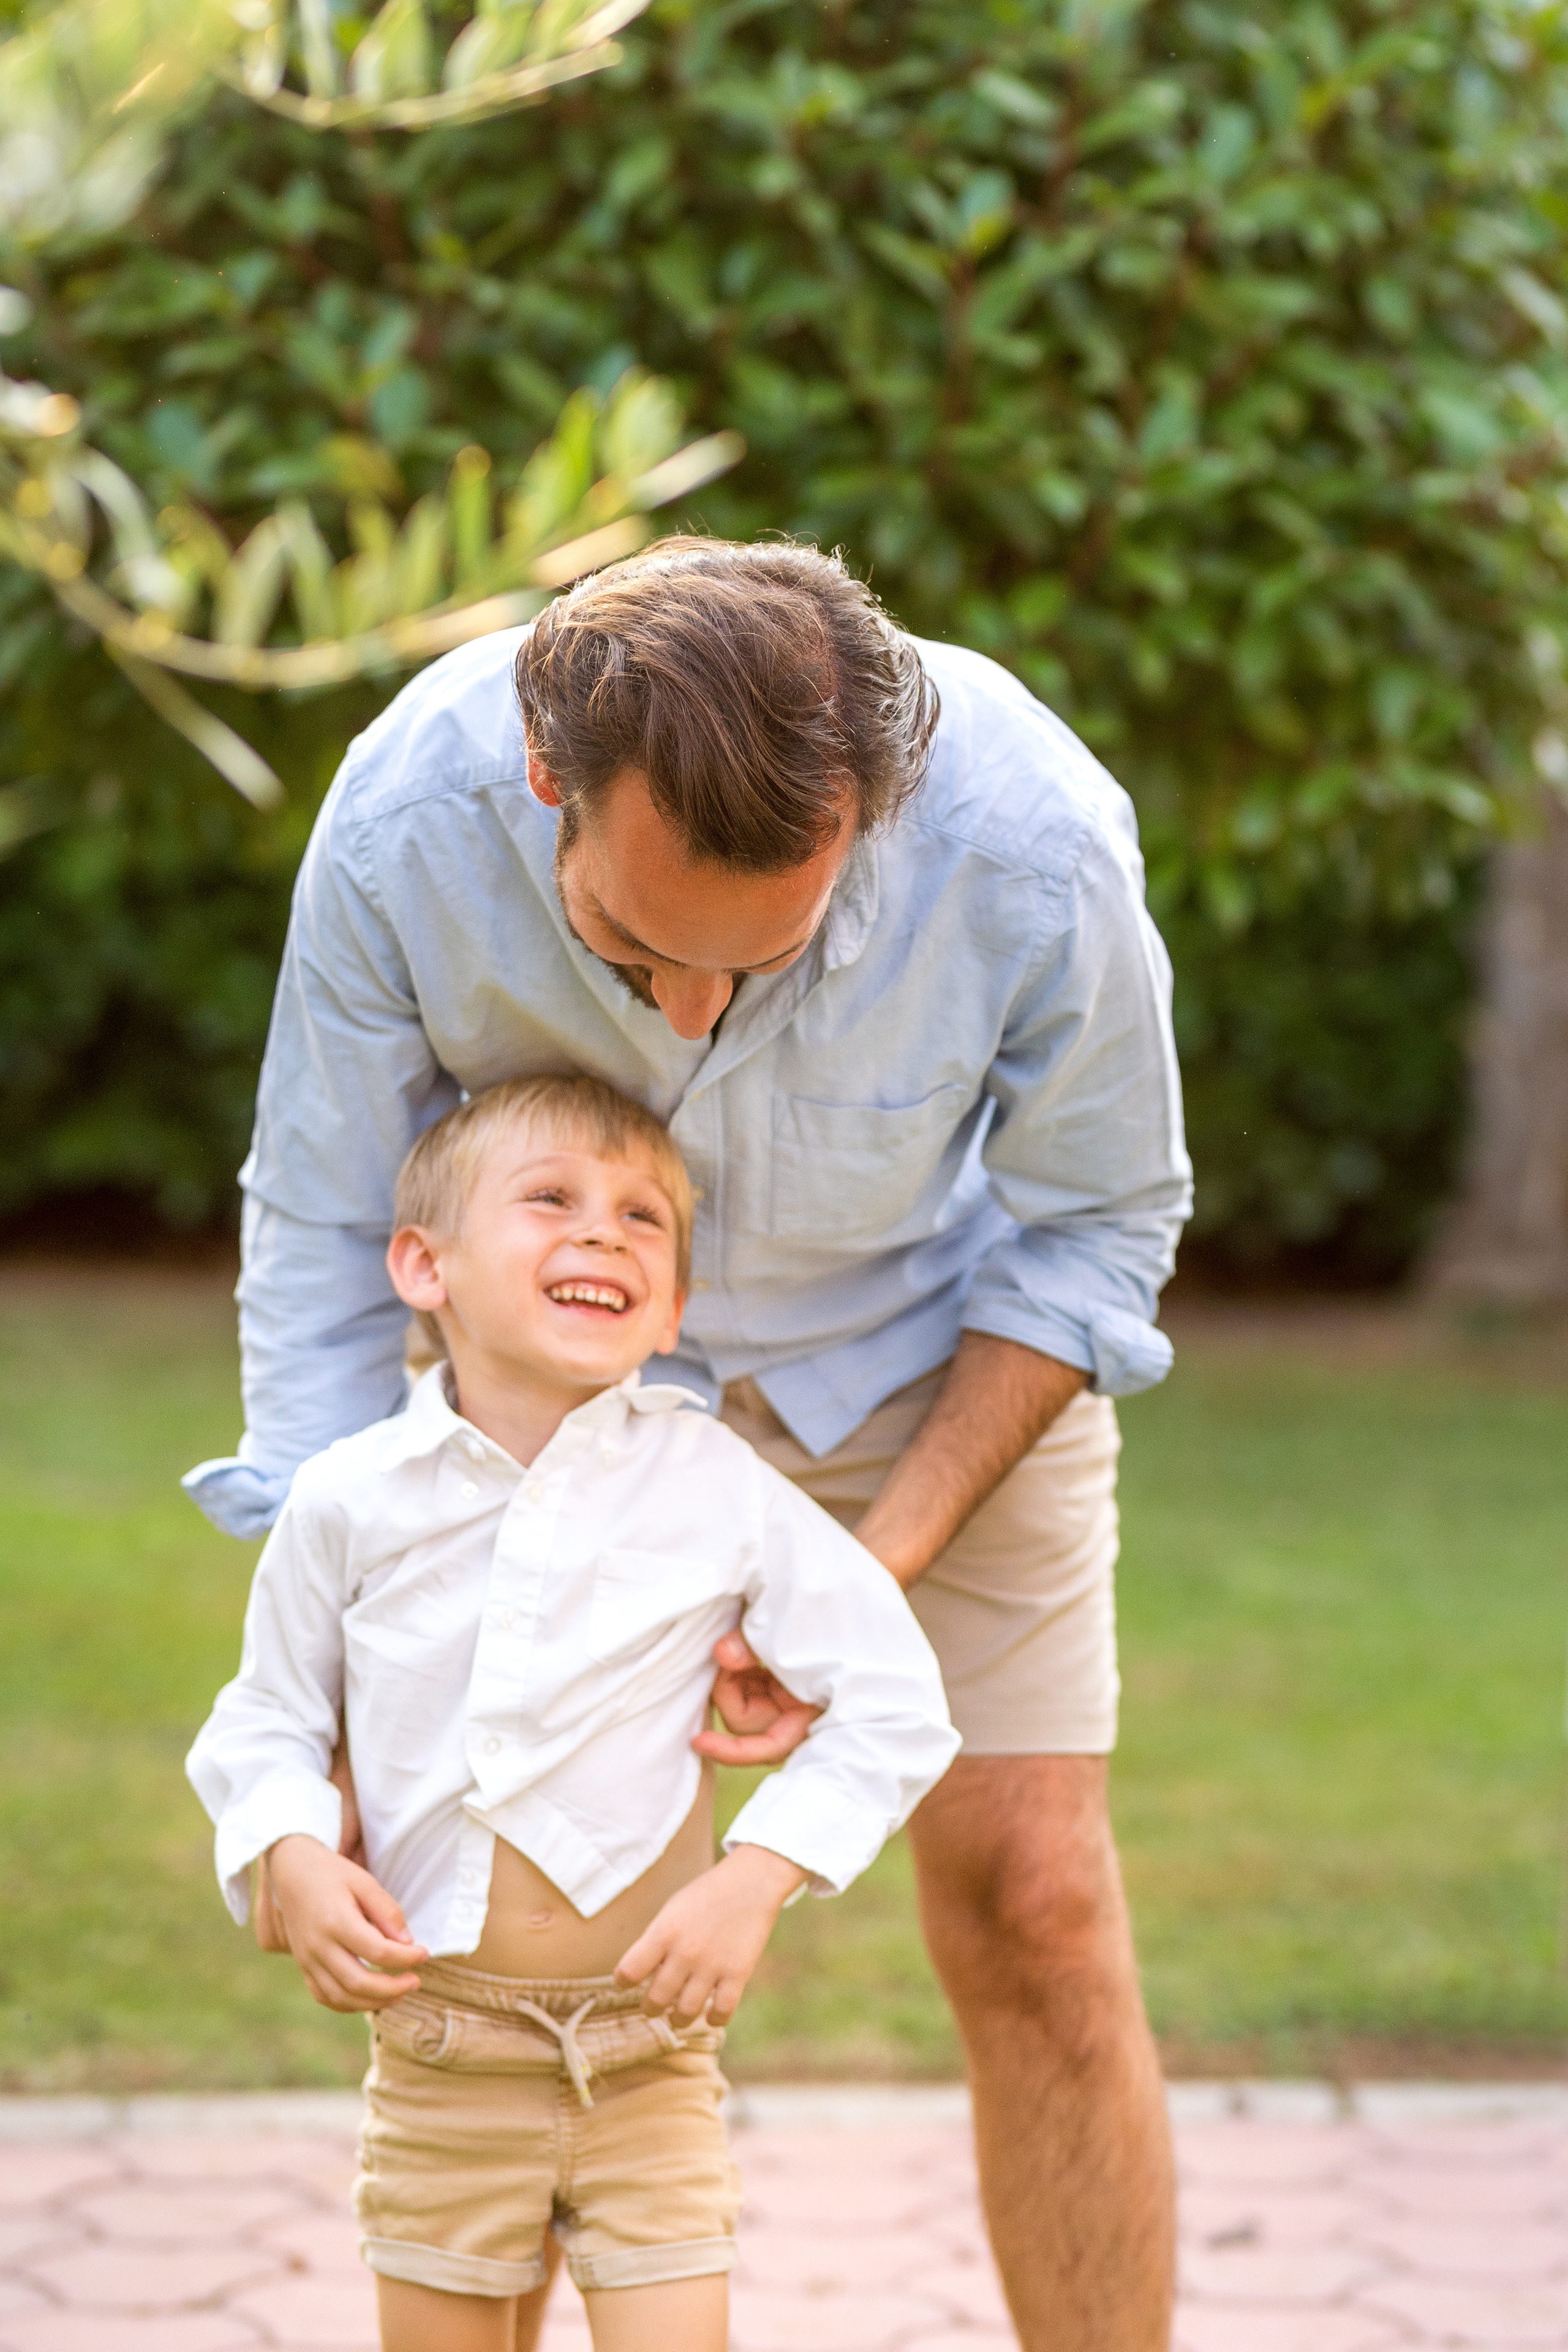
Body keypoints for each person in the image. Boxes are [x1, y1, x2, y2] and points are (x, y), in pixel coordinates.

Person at [185, 536, 1193, 2351]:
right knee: (502, 1954)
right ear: (546, 777)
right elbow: (329, 1221)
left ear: (871, 816)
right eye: (632, 950)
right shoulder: (409, 818)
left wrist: (857, 1580)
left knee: (1038, 1899)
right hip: (535, 1398)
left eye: (762, 960)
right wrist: (326, 1674)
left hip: (924, 1373)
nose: (690, 1013)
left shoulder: (1033, 841)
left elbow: (1095, 1232)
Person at [187, 1071, 959, 2352]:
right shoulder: (348, 1501)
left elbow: (895, 1702)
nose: (603, 1230)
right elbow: (265, 1717)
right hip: (441, 2050)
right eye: (550, 1200)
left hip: (650, 2055)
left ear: (669, 1311)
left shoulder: (719, 1487)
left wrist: (755, 1873)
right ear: (424, 1266)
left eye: (643, 1217)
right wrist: (289, 1851)